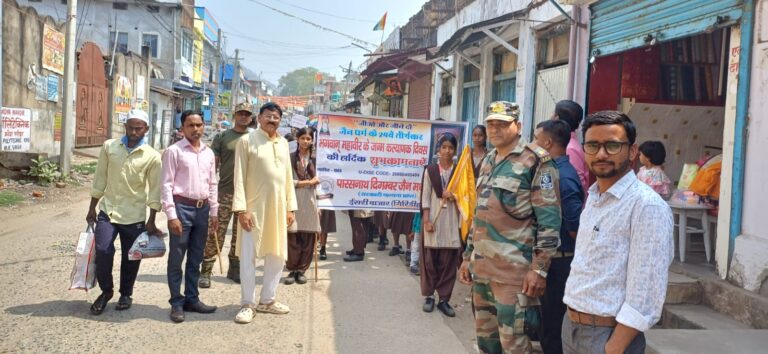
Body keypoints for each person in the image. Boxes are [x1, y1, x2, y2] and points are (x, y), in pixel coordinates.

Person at [562, 111, 673, 354]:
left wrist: (615, 346)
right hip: (572, 327)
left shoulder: (646, 206)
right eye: (593, 145)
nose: (601, 154)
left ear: (632, 152)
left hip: (608, 336)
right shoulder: (594, 197)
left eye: (612, 145)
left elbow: (646, 290)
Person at [458, 101, 562, 353]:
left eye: (502, 124)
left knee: (514, 346)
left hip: (514, 277)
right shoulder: (489, 159)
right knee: (487, 343)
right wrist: (467, 256)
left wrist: (539, 270)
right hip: (482, 270)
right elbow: (479, 214)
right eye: (491, 124)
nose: (494, 130)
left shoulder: (536, 161)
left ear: (518, 125)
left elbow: (549, 221)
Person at [86, 109, 162, 315]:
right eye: (130, 127)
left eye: (139, 128)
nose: (134, 132)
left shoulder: (152, 156)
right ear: (125, 127)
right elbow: (100, 178)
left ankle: (126, 293)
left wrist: (152, 219)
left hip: (134, 215)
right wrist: (92, 207)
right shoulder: (110, 147)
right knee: (102, 250)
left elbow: (155, 190)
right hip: (108, 211)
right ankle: (106, 290)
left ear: (146, 129)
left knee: (132, 256)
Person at [232, 102, 297, 323]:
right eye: (268, 116)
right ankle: (247, 303)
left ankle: (267, 300)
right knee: (249, 257)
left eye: (276, 117)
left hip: (278, 208)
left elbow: (288, 177)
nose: (272, 120)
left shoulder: (283, 144)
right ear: (258, 118)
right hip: (253, 209)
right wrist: (242, 209)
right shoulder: (246, 141)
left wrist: (290, 207)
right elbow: (238, 176)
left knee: (277, 255)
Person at [162, 110, 219, 323]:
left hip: (202, 210)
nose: (195, 129)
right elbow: (166, 185)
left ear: (204, 126)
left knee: (196, 258)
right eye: (190, 125)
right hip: (181, 208)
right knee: (177, 258)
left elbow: (212, 183)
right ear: (182, 128)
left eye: (199, 125)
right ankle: (176, 302)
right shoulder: (174, 152)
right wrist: (171, 215)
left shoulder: (208, 153)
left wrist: (213, 212)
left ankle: (192, 299)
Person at [533, 120, 585, 354]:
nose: (533, 144)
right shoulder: (551, 170)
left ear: (548, 142)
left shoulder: (563, 176)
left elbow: (575, 226)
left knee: (554, 326)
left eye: (536, 139)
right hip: (553, 258)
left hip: (561, 260)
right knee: (546, 323)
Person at [199, 102, 253, 289]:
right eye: (240, 113)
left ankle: (234, 269)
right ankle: (206, 271)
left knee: (241, 235)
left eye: (247, 114)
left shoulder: (255, 139)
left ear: (251, 117)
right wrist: (208, 189)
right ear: (234, 115)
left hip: (246, 195)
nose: (243, 117)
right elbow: (213, 165)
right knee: (215, 231)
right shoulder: (222, 137)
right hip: (225, 192)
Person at [420, 133, 462, 318]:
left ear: (455, 151)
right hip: (433, 222)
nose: (447, 151)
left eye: (451, 148)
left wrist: (455, 196)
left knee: (448, 263)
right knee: (429, 261)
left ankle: (444, 299)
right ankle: (429, 296)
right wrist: (426, 221)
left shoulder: (460, 171)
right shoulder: (430, 170)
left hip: (452, 222)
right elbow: (426, 197)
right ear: (438, 149)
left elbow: (467, 196)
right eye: (444, 147)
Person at [285, 127, 321, 285]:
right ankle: (292, 270)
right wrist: (307, 182)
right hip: (293, 200)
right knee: (292, 235)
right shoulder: (290, 158)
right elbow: (285, 180)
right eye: (303, 138)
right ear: (297, 139)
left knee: (308, 237)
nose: (306, 141)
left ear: (312, 140)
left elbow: (323, 183)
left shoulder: (317, 160)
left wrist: (321, 204)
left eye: (309, 138)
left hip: (311, 201)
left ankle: (302, 270)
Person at [552, 100, 589, 191]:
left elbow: (575, 183)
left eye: (553, 112)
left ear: (556, 118)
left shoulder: (569, 148)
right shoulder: (568, 143)